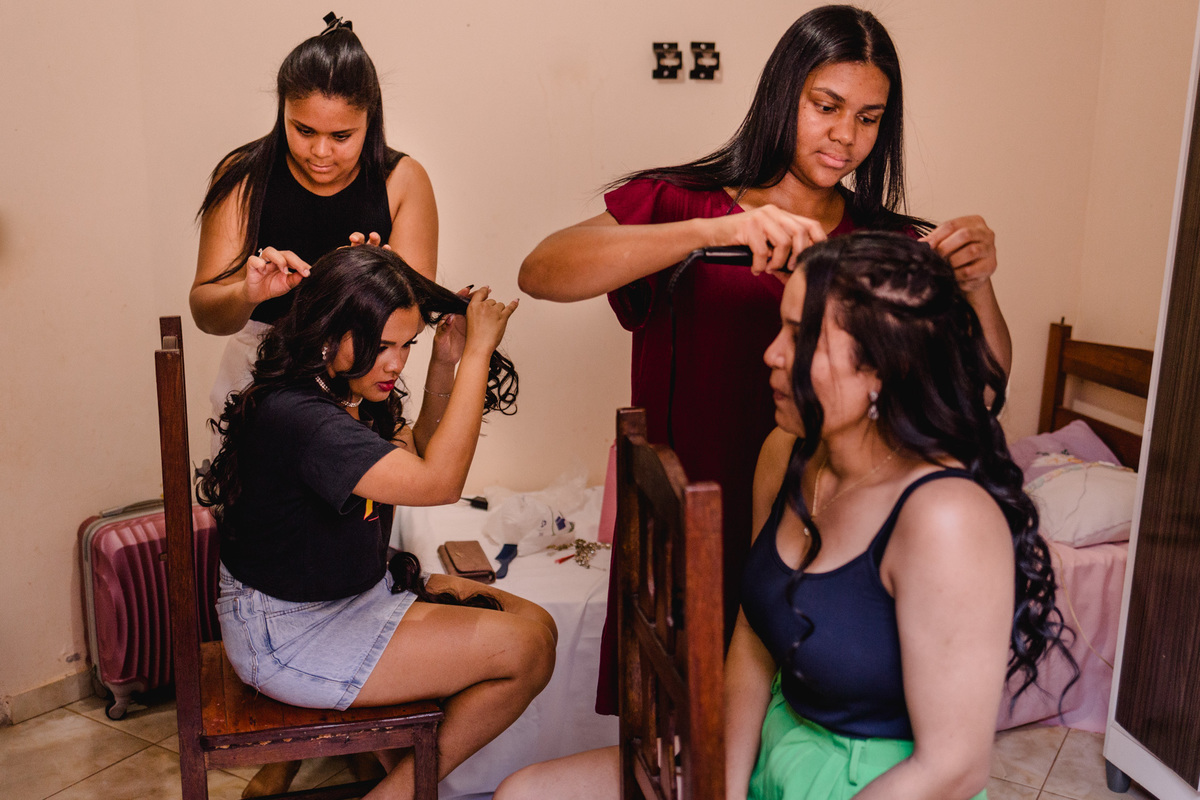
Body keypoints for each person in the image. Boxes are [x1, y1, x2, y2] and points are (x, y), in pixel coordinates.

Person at [518, 4, 1012, 715]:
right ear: (786, 94)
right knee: (680, 729)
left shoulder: (886, 242)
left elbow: (985, 383)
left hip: (824, 536)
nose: (846, 136)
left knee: (790, 730)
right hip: (691, 522)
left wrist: (979, 284)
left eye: (869, 118)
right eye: (827, 106)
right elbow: (541, 270)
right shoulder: (679, 203)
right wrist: (708, 230)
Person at [495, 231, 1073, 800]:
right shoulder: (786, 455)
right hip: (773, 746)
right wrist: (724, 784)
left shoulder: (946, 518)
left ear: (881, 368)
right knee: (524, 793)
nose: (771, 353)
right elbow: (753, 635)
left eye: (801, 337)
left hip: (880, 785)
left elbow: (953, 768)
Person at [199, 245, 553, 800]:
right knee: (524, 651)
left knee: (537, 625)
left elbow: (418, 457)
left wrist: (444, 362)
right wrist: (480, 352)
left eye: (406, 344)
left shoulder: (344, 389)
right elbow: (440, 484)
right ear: (327, 331)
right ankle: (396, 793)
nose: (395, 362)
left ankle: (396, 774)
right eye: (382, 345)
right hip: (287, 631)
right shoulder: (300, 415)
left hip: (354, 591)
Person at [190, 14, 438, 449]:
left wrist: (376, 282)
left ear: (370, 120)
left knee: (355, 516)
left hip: (359, 384)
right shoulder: (244, 177)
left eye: (341, 135)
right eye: (303, 130)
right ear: (282, 110)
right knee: (258, 513)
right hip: (256, 382)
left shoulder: (403, 181)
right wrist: (247, 293)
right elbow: (206, 314)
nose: (320, 152)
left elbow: (416, 317)